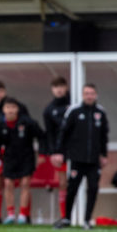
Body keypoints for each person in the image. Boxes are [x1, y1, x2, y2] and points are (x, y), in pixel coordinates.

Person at [52, 84, 109, 230]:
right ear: (82, 95)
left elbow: (104, 136)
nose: (89, 96)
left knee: (93, 188)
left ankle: (87, 220)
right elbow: (63, 133)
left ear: (96, 95)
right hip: (77, 158)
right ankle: (67, 218)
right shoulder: (74, 111)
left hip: (94, 160)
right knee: (72, 188)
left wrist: (103, 155)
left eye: (92, 93)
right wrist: (59, 152)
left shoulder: (100, 113)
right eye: (86, 93)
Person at [0, 98, 46, 224]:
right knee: (8, 184)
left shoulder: (27, 122)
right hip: (9, 157)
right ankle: (10, 214)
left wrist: (42, 153)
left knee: (25, 184)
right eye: (7, 108)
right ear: (3, 110)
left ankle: (23, 214)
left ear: (17, 109)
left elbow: (42, 136)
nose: (10, 110)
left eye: (13, 107)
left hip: (26, 156)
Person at [0, 81, 30, 223]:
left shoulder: (20, 108)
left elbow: (29, 128)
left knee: (24, 183)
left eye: (1, 91)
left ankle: (25, 215)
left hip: (18, 153)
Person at [42, 76, 70, 220]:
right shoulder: (49, 110)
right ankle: (64, 215)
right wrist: (53, 152)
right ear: (52, 90)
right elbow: (50, 134)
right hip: (60, 151)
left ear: (66, 87)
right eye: (56, 87)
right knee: (63, 183)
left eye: (61, 86)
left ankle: (82, 214)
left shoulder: (74, 104)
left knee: (79, 182)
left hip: (76, 150)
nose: (59, 90)